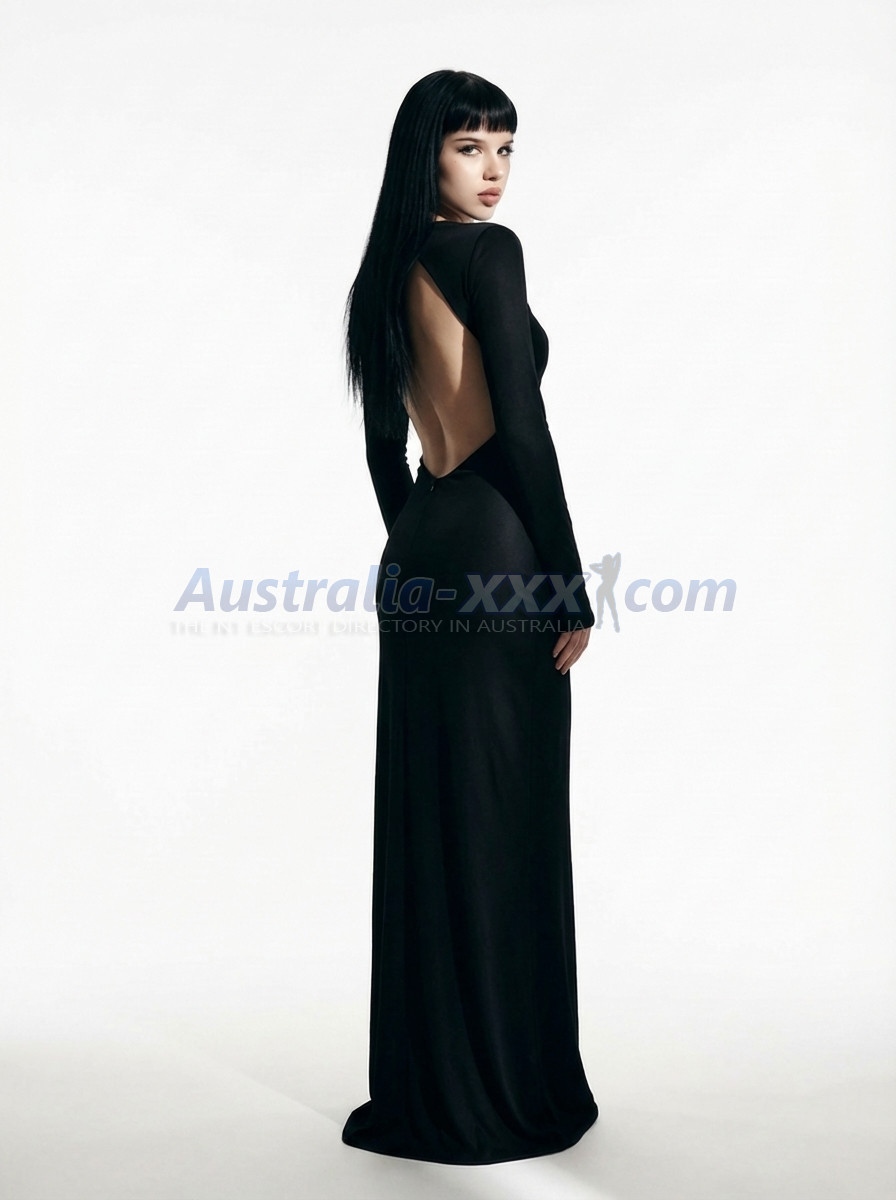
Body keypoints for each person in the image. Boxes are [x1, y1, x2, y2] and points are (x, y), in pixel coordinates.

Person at [341, 69, 598, 1166]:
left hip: (421, 552)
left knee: (433, 809)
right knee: (504, 811)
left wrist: (422, 538)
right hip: (499, 548)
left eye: (504, 148)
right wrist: (566, 579)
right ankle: (505, 1089)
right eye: (469, 147)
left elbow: (382, 448)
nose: (492, 170)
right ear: (426, 154)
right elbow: (522, 426)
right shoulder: (490, 255)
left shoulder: (381, 273)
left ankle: (430, 1084)